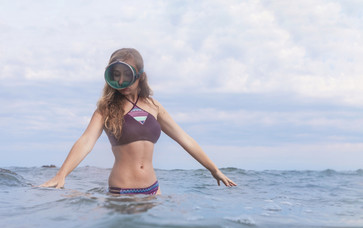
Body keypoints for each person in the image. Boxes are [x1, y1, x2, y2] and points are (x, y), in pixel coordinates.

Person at [40, 48, 237, 195]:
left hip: (154, 190)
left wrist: (215, 170)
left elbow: (184, 138)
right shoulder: (106, 109)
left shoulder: (154, 106)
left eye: (127, 75)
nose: (121, 82)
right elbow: (86, 141)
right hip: (122, 191)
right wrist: (61, 174)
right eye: (116, 76)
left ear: (140, 76)